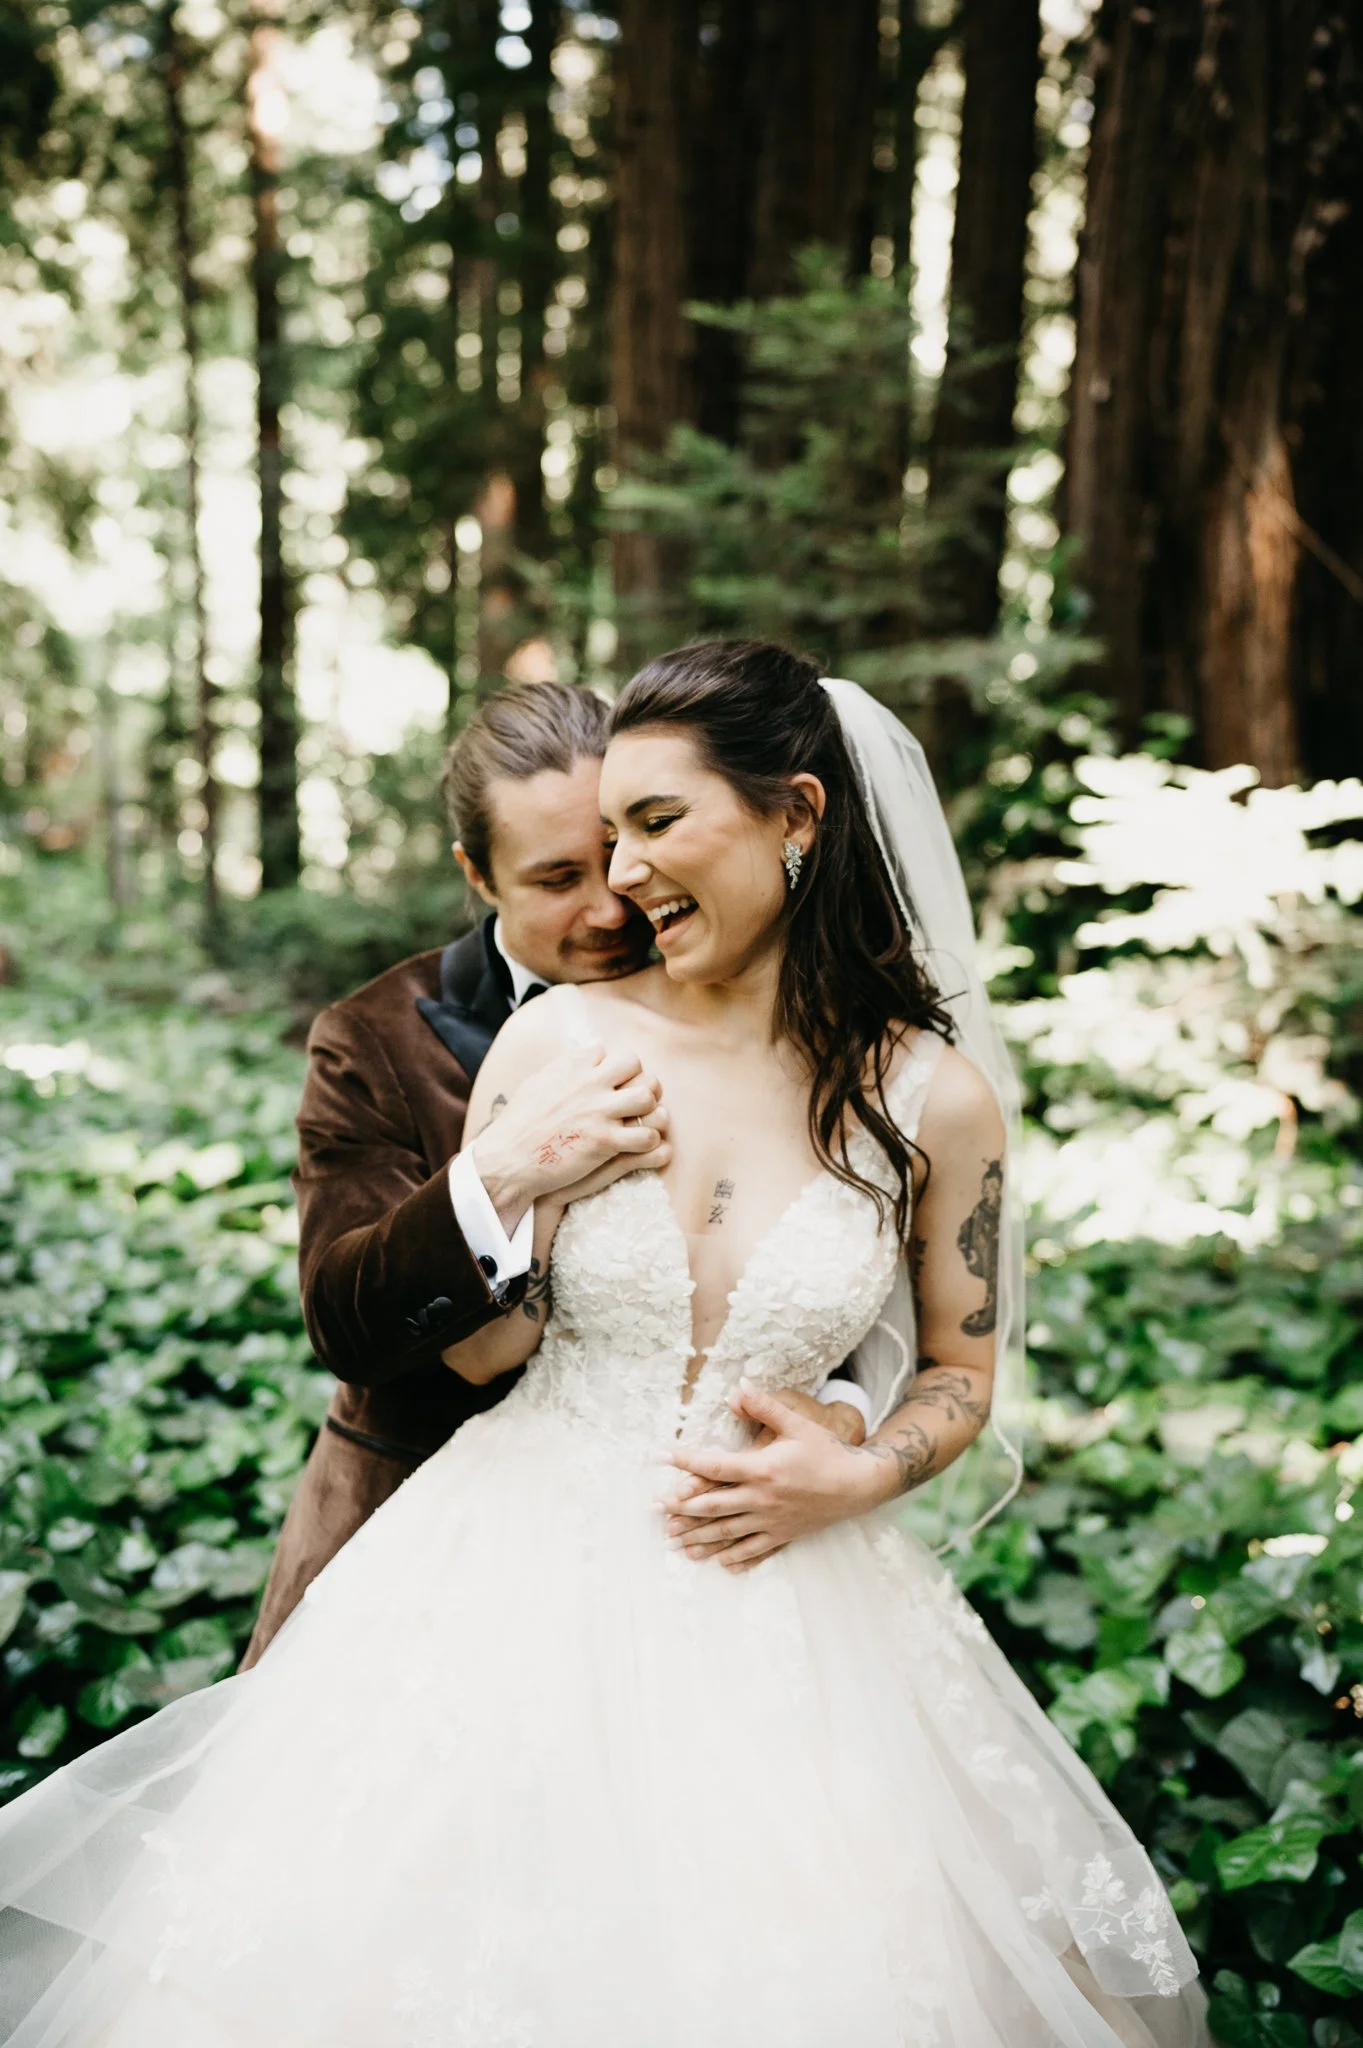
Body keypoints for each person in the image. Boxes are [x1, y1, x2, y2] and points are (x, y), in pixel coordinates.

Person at [0, 643, 1207, 2047]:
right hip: (498, 1575)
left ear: (797, 816)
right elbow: (460, 1357)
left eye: (650, 826)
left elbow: (957, 1368)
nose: (621, 878)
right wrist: (516, 1182)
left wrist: (862, 1469)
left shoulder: (935, 1098)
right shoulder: (559, 1039)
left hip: (787, 1609)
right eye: (592, 844)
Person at [243, 677, 868, 1665]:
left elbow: (833, 1252)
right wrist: (501, 1166)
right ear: (476, 875)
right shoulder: (372, 1037)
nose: (613, 900)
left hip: (708, 1560)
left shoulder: (761, 1002)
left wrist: (848, 1410)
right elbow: (343, 1319)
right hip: (409, 1536)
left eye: (624, 846)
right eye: (554, 876)